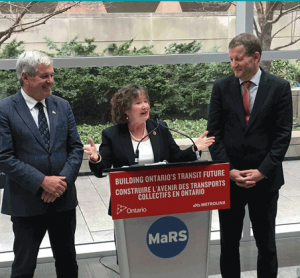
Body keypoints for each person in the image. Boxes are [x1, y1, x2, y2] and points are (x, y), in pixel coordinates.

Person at [207, 33, 293, 278]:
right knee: (228, 245)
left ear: (255, 57)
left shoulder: (279, 87)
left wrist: (261, 171)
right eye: (231, 59)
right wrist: (228, 169)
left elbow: (282, 136)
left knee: (266, 245)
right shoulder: (221, 87)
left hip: (265, 180)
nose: (233, 64)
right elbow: (214, 133)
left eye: (239, 59)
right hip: (230, 180)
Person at [0, 51, 83, 278]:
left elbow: (75, 148)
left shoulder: (62, 106)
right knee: (24, 267)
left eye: (51, 75)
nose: (50, 81)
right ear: (25, 77)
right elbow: (4, 156)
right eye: (44, 76)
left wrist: (61, 183)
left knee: (67, 263)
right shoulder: (5, 109)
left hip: (63, 201)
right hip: (26, 202)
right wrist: (42, 182)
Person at [83, 84, 215, 216]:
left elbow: (176, 157)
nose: (145, 106)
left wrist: (194, 148)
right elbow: (101, 170)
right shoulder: (112, 134)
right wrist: (96, 159)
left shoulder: (159, 128)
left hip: (159, 200)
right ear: (126, 109)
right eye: (138, 102)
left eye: (146, 101)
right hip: (127, 204)